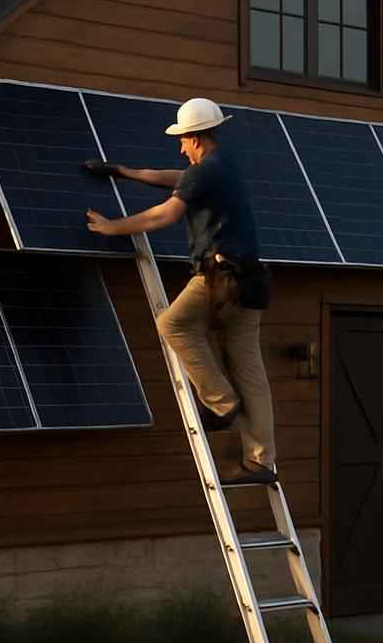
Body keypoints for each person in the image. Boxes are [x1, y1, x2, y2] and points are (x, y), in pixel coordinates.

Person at [84, 97, 276, 485]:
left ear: (197, 138)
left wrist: (112, 227)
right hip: (253, 280)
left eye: (183, 140)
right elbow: (177, 177)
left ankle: (222, 405)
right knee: (250, 370)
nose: (181, 147)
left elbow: (165, 214)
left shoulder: (205, 171)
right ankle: (260, 461)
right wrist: (127, 172)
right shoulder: (223, 167)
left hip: (221, 278)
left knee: (173, 325)